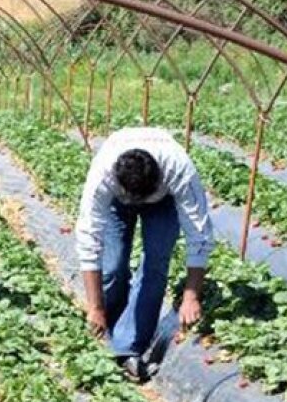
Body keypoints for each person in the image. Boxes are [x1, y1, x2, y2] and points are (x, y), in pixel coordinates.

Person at [77, 127, 215, 382]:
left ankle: (128, 347)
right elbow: (88, 239)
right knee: (113, 266)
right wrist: (95, 307)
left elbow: (199, 234)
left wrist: (191, 296)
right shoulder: (104, 175)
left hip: (163, 202)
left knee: (155, 266)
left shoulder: (179, 171)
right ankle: (109, 330)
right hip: (117, 202)